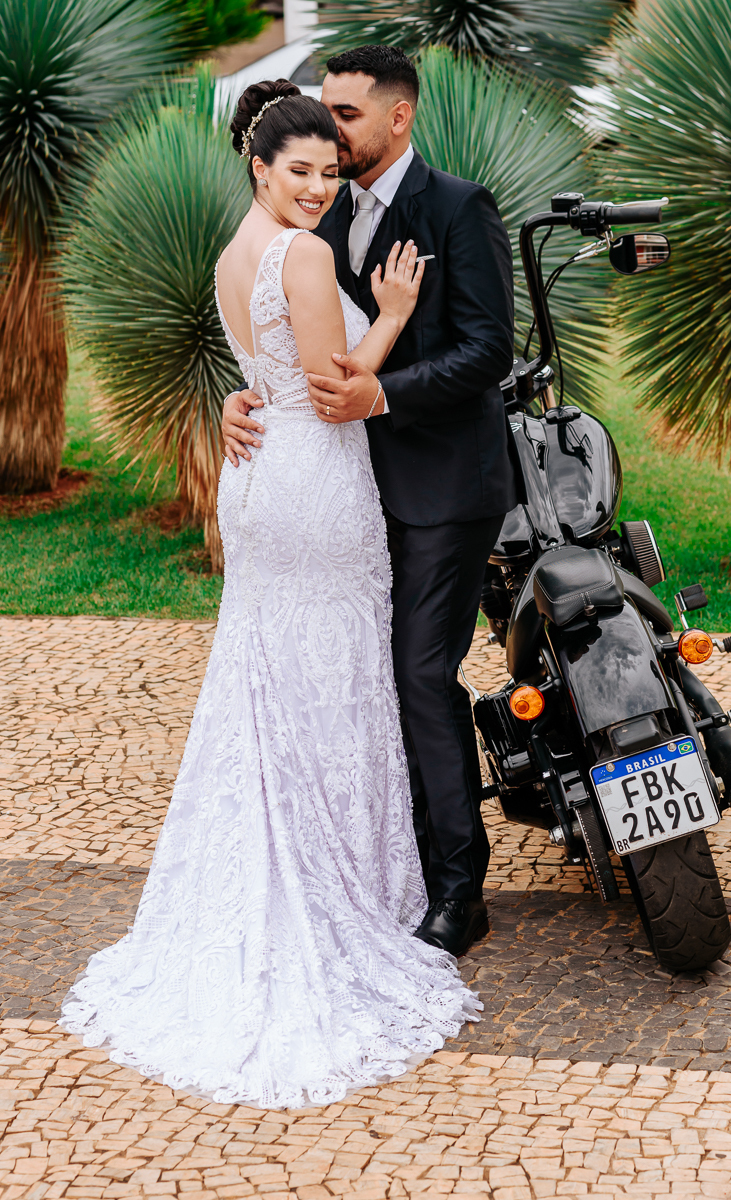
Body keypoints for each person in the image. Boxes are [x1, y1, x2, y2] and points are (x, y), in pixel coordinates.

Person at [60, 81, 481, 1110]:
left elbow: (265, 363)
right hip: (316, 481)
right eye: (301, 170)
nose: (319, 187)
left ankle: (285, 860)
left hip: (260, 482)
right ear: (260, 167)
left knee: (271, 679)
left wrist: (246, 398)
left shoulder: (233, 252)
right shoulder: (301, 253)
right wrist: (391, 315)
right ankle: (339, 883)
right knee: (335, 677)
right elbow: (335, 387)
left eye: (329, 172)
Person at [222, 46, 523, 958]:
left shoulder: (458, 207)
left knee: (418, 677)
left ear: (398, 116)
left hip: (442, 488)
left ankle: (458, 888)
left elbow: (488, 349)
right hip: (342, 488)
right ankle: (381, 864)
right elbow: (290, 336)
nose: (329, 132)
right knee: (361, 676)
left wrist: (379, 395)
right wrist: (245, 398)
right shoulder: (319, 212)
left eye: (346, 115)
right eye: (322, 114)